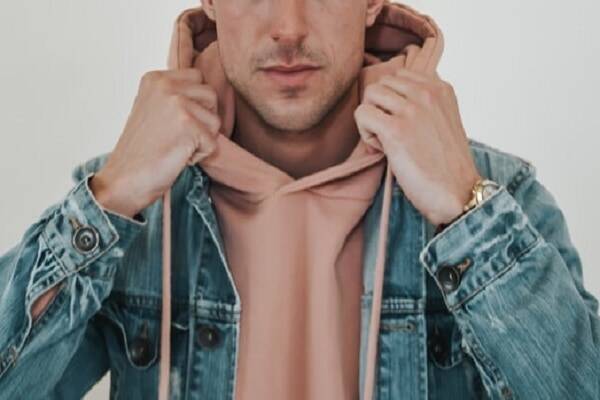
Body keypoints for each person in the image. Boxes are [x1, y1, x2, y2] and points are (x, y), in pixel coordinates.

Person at [0, 0, 598, 399]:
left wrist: (467, 214)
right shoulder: (130, 202)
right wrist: (111, 197)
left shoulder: (495, 197)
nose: (288, 27)